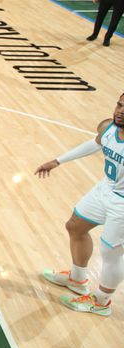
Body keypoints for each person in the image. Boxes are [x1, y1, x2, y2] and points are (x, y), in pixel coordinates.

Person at [36, 94, 124, 317]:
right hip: (105, 188)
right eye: (120, 104)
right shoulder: (108, 128)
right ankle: (77, 278)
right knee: (75, 226)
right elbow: (95, 144)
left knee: (111, 254)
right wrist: (58, 161)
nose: (120, 111)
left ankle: (101, 302)